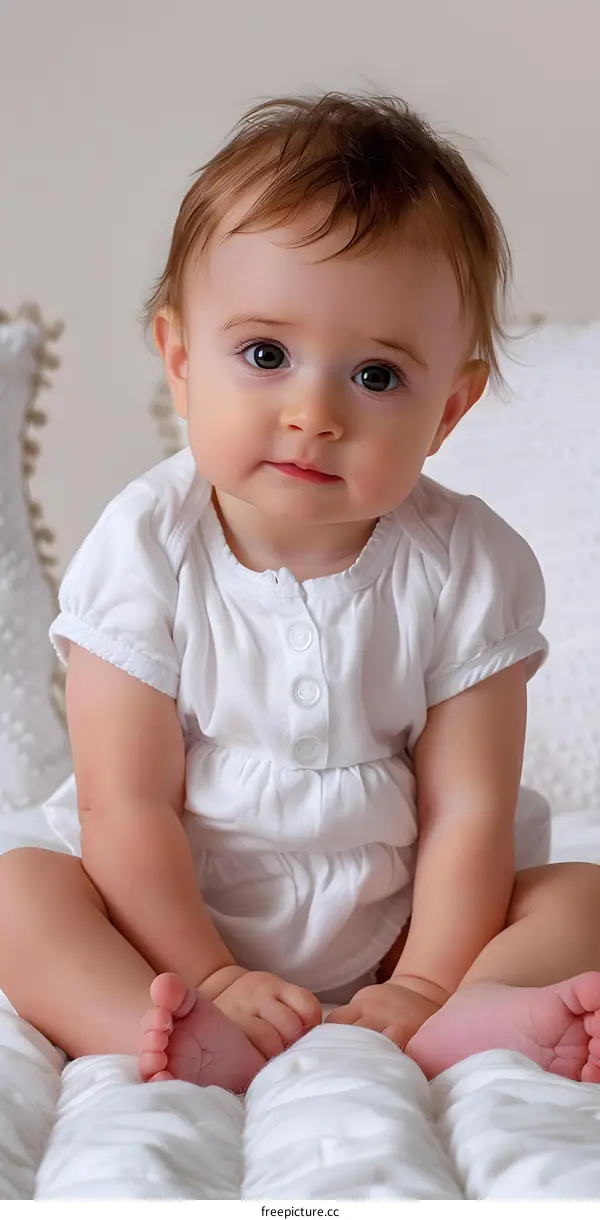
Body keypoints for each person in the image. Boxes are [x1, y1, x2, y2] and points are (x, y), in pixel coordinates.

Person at [1, 93, 600, 1093]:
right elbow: (126, 805)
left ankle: (467, 1016)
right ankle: (150, 1023)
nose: (313, 412)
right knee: (19, 890)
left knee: (580, 892)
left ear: (449, 409)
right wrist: (209, 970)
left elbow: (469, 810)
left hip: (400, 921)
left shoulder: (467, 563)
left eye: (375, 375)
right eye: (266, 355)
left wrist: (425, 978)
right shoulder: (145, 547)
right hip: (169, 919)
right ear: (182, 362)